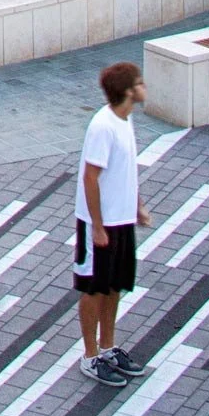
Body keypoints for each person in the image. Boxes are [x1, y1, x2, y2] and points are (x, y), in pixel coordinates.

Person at [76, 61, 151, 388]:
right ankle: (90, 356)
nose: (144, 86)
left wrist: (137, 206)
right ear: (128, 91)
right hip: (100, 225)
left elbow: (125, 170)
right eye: (140, 82)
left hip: (121, 221)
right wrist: (97, 226)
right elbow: (90, 178)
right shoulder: (102, 126)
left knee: (115, 286)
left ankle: (108, 347)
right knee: (93, 289)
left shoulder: (125, 119)